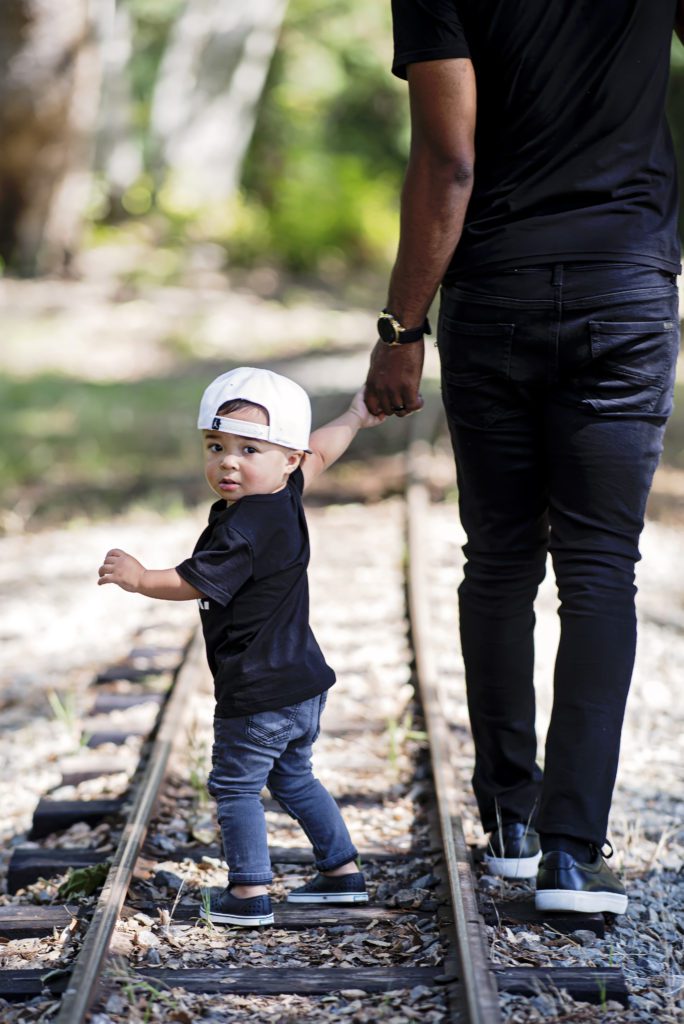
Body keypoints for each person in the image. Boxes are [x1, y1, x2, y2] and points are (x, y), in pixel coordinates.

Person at [365, 1, 683, 914]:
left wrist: (402, 326)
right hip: (625, 284)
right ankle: (573, 854)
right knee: (599, 571)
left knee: (500, 557)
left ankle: (511, 819)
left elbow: (448, 159)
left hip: (495, 287)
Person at [98, 366, 384, 926]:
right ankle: (341, 873)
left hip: (257, 691)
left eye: (249, 448)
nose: (228, 461)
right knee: (294, 777)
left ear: (287, 459)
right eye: (216, 445)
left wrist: (139, 577)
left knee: (234, 787)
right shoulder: (286, 491)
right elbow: (324, 451)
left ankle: (250, 894)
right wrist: (355, 415)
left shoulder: (243, 529)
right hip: (302, 684)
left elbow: (189, 582)